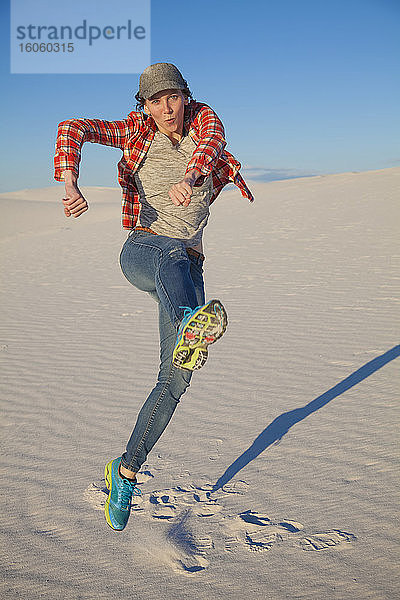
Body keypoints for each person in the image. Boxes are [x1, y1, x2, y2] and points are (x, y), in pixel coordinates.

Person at [54, 63, 254, 531]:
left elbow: (209, 145)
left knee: (175, 379)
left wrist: (193, 175)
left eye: (172, 97)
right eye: (153, 100)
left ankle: (125, 471)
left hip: (188, 267)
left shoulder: (206, 122)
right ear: (143, 104)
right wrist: (69, 182)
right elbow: (72, 127)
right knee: (168, 253)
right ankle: (190, 319)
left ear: (186, 97)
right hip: (143, 249)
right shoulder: (134, 131)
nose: (164, 108)